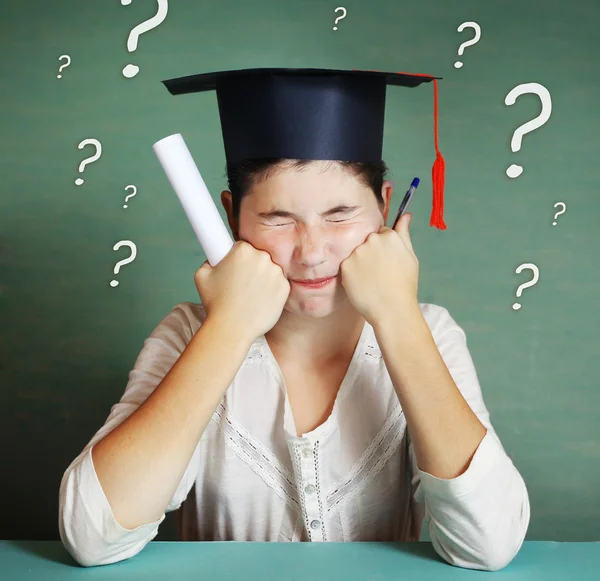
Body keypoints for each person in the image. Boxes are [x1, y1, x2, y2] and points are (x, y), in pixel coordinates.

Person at [59, 68, 530, 569]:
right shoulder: (188, 334)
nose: (311, 252)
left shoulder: (428, 331)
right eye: (278, 219)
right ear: (230, 218)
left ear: (386, 208)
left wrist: (397, 316)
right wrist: (229, 326)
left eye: (340, 215)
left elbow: (488, 545)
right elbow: (93, 538)